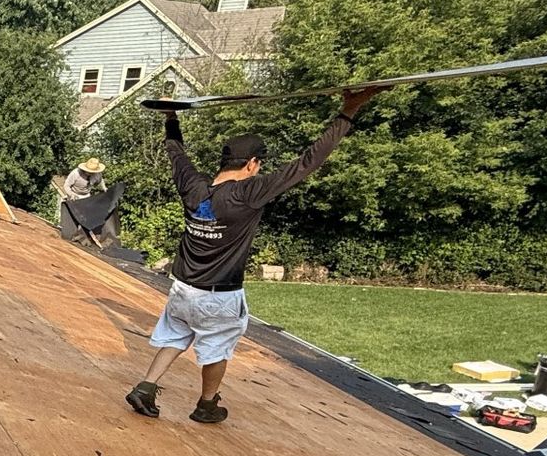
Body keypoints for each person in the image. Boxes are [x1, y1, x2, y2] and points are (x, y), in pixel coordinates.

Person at [126, 88, 376, 424]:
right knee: (216, 347)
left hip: (182, 289)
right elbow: (308, 163)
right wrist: (348, 112)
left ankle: (146, 386)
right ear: (252, 164)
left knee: (176, 334)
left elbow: (176, 153)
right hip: (219, 296)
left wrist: (171, 118)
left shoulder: (194, 187)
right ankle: (207, 404)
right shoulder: (249, 192)